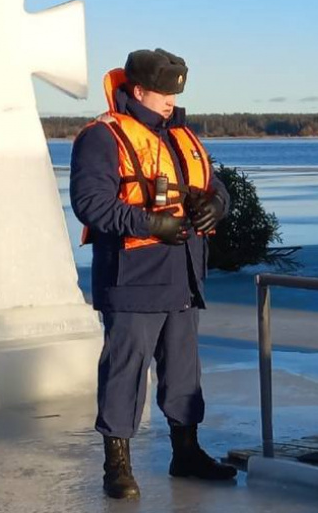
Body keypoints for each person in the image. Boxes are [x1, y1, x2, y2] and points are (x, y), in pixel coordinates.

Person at [70, 48, 237, 499]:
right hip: (133, 277)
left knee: (184, 372)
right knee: (124, 370)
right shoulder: (101, 137)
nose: (170, 99)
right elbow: (92, 204)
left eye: (175, 91)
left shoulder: (180, 134)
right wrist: (152, 224)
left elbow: (214, 184)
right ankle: (116, 465)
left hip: (184, 275)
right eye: (162, 91)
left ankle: (187, 453)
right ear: (137, 89)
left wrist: (215, 205)